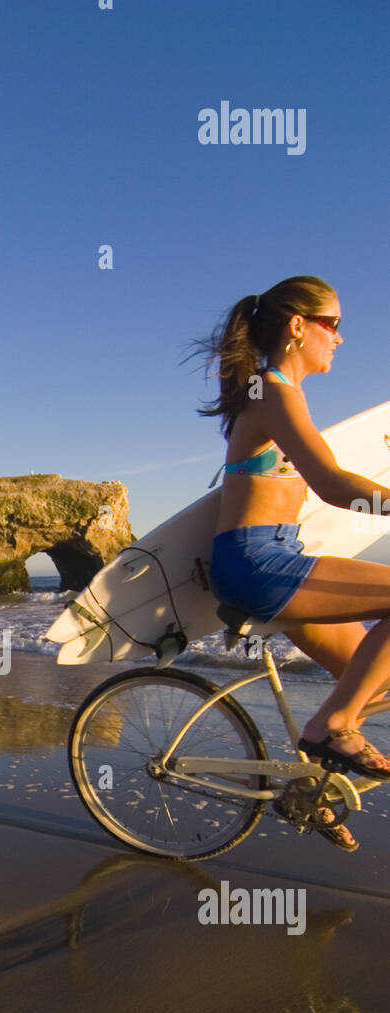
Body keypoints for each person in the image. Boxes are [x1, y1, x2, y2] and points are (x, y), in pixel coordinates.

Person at [193, 274, 390, 853]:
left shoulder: (270, 392)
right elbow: (331, 484)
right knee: (345, 710)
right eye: (334, 325)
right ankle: (330, 730)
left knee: (369, 684)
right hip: (258, 562)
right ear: (298, 326)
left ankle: (308, 788)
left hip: (274, 558)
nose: (341, 339)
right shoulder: (272, 391)